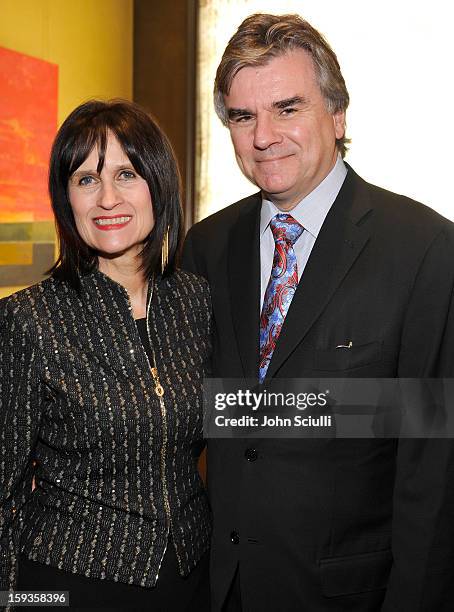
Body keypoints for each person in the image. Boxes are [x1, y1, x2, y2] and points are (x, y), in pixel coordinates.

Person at [182, 13, 454, 612]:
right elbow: (206, 416)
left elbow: (432, 470)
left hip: (351, 595)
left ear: (337, 114)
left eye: (287, 108)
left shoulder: (425, 250)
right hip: (221, 589)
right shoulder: (204, 248)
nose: (263, 135)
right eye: (243, 116)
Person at [0, 100, 211, 611]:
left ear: (158, 185)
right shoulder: (30, 320)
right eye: (86, 179)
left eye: (126, 174)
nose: (107, 198)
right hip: (70, 583)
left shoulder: (197, 301)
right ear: (65, 197)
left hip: (191, 576)